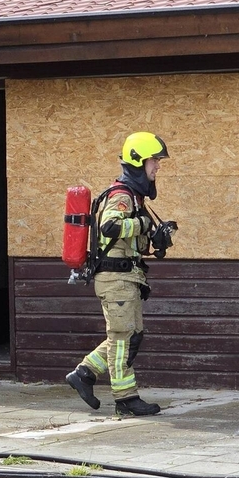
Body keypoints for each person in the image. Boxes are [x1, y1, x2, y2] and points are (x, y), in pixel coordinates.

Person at [66, 132, 169, 417]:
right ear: (137, 161)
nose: (157, 166)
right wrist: (143, 224)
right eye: (154, 161)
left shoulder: (134, 197)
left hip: (126, 277)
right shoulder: (122, 196)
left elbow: (127, 238)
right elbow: (110, 227)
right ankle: (125, 398)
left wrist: (155, 237)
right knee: (123, 338)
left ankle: (85, 373)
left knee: (130, 336)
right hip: (116, 279)